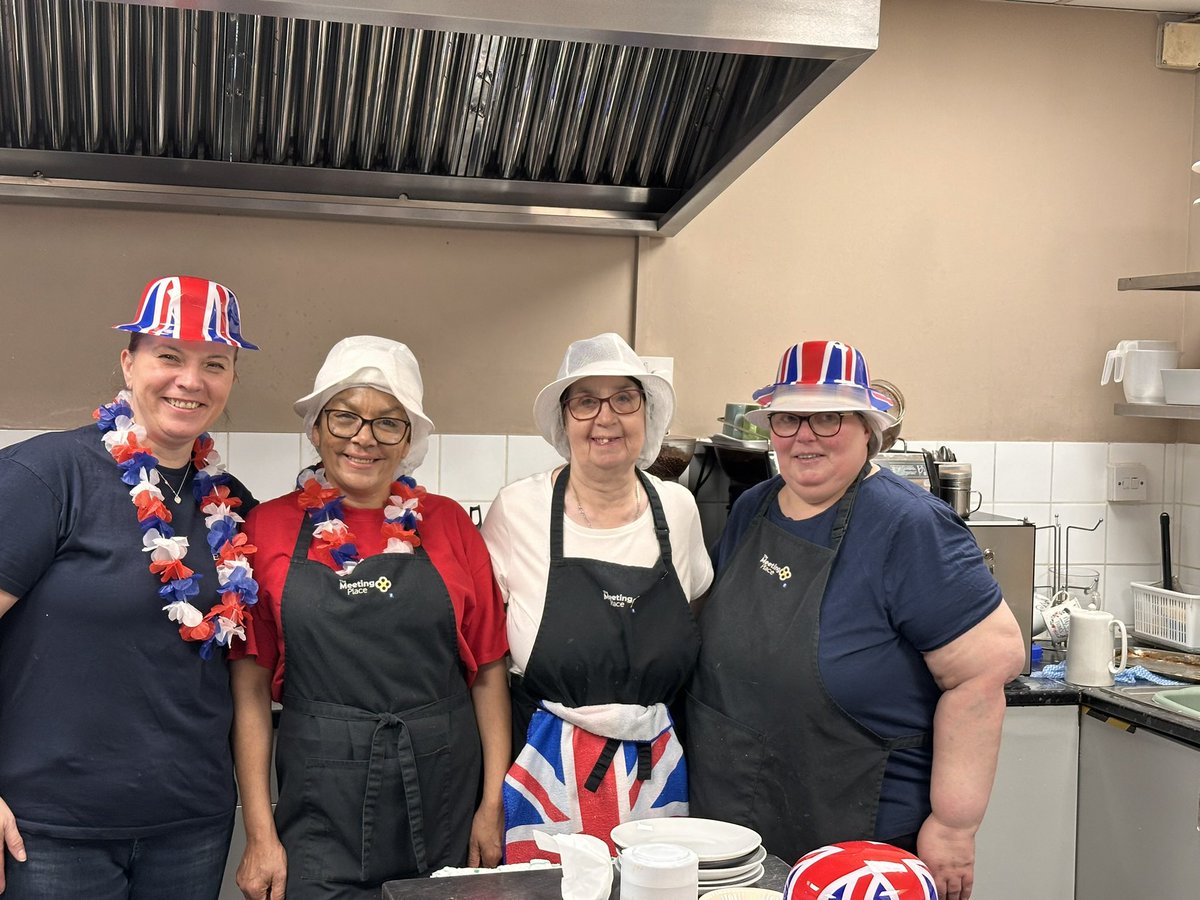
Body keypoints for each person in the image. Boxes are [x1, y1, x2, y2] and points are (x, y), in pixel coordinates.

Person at [685, 340, 1025, 900]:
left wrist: (954, 825)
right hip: (741, 824)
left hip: (862, 837)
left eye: (829, 417)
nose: (805, 434)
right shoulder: (754, 508)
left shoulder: (908, 526)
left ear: (867, 428)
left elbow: (985, 671)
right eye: (789, 417)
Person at [0, 275, 261, 898]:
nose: (190, 380)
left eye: (214, 363)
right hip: (51, 832)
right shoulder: (46, 475)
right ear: (129, 361)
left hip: (191, 829)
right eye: (169, 355)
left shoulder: (230, 507)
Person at [230, 335, 510, 900]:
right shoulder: (266, 528)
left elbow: (488, 672)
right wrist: (260, 835)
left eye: (388, 422)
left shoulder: (449, 522)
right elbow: (251, 691)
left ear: (409, 440)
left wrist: (492, 804)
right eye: (345, 417)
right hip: (320, 800)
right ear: (316, 427)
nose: (364, 438)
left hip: (445, 789)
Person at [482, 332, 713, 863]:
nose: (605, 418)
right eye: (585, 401)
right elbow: (486, 655)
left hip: (654, 768)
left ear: (646, 414)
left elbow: (692, 610)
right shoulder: (518, 508)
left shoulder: (677, 510)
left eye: (624, 399)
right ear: (564, 421)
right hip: (539, 764)